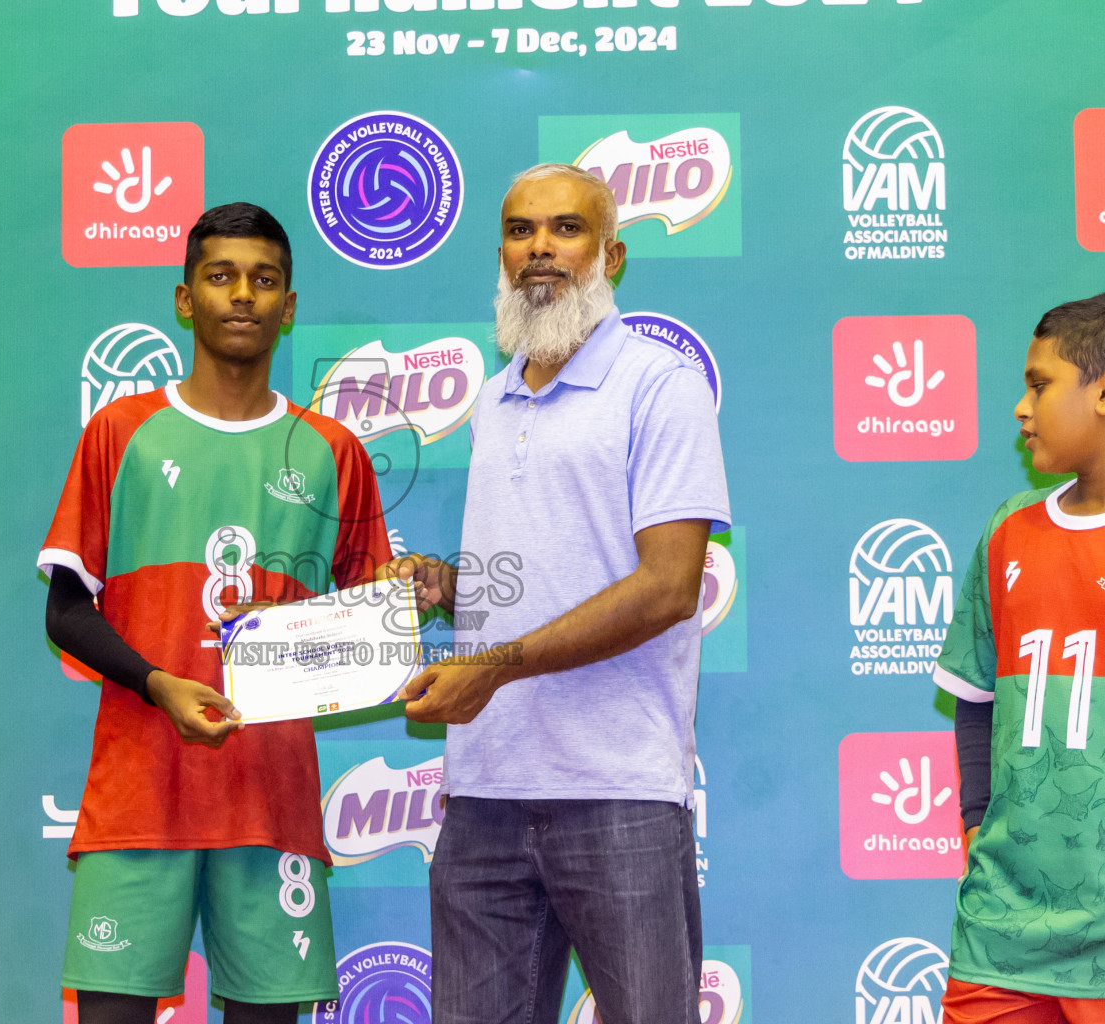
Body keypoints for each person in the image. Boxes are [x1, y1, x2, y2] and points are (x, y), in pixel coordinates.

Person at [384, 163, 730, 1024]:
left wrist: (494, 665)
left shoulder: (661, 384)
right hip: (483, 794)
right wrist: (449, 588)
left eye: (566, 229)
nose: (539, 247)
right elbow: (545, 578)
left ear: (610, 254)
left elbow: (667, 587)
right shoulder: (495, 400)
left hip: (617, 793)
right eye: (519, 230)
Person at [39, 202, 391, 1024]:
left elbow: (365, 631)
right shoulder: (120, 432)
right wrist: (159, 682)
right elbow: (66, 612)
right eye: (221, 276)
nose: (243, 296)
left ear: (290, 306)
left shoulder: (333, 451)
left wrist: (411, 595)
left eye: (264, 280)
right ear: (185, 298)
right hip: (139, 797)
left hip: (269, 803)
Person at [935, 293, 1105, 1022]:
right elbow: (976, 701)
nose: (1021, 408)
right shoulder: (1007, 531)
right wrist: (978, 829)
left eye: (1040, 383)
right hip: (1001, 932)